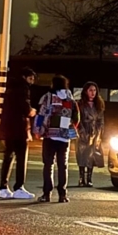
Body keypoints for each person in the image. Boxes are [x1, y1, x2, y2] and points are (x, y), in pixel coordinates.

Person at [33, 75, 80, 203]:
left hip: (50, 135)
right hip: (64, 137)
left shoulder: (48, 97)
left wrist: (37, 130)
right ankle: (62, 194)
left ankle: (46, 194)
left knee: (48, 165)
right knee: (63, 165)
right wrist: (70, 127)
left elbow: (41, 114)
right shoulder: (71, 99)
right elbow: (76, 117)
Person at [0, 68, 38, 199]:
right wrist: (32, 111)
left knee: (8, 157)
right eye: (30, 78)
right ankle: (19, 187)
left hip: (8, 128)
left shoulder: (9, 89)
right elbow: (25, 108)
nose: (32, 81)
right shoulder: (23, 89)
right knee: (21, 158)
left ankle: (3, 187)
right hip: (20, 128)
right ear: (25, 77)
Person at [75, 81, 105, 188]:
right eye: (90, 90)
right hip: (83, 132)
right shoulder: (80, 104)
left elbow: (101, 120)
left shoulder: (99, 104)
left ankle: (89, 179)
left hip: (95, 133)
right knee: (82, 155)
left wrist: (99, 132)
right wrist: (81, 131)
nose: (93, 93)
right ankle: (81, 178)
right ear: (85, 91)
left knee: (92, 156)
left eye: (94, 90)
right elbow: (77, 119)